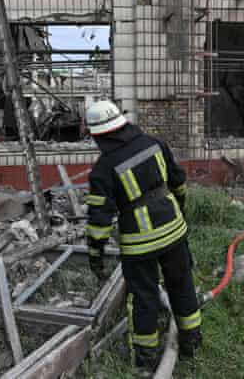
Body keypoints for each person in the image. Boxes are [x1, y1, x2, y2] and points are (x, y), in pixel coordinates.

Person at [83, 100, 202, 370]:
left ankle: (145, 360)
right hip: (174, 230)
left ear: (98, 135)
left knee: (144, 297)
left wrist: (95, 255)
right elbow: (178, 182)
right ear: (122, 122)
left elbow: (99, 220)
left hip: (140, 244)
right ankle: (191, 342)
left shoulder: (103, 168)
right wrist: (178, 210)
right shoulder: (154, 143)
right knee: (182, 284)